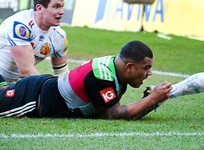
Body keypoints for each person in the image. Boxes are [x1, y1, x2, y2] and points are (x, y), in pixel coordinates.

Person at [0, 40, 171, 119]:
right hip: (32, 98)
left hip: (44, 87)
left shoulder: (117, 71)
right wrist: (152, 98)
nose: (149, 73)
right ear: (130, 67)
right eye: (146, 67)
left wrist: (148, 101)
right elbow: (112, 113)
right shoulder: (102, 75)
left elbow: (113, 111)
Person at [0, 0, 69, 86]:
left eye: (62, 6)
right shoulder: (20, 25)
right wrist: (48, 90)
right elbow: (27, 71)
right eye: (56, 7)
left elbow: (62, 72)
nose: (61, 12)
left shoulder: (59, 36)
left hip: (11, 83)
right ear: (39, 8)